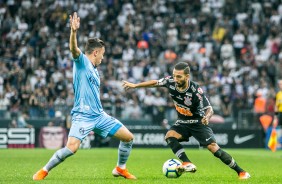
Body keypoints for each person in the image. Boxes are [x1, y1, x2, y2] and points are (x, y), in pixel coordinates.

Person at [33, 12, 136, 180]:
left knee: (128, 138)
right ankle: (44, 170)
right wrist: (73, 32)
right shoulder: (82, 62)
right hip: (83, 115)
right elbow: (74, 49)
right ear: (95, 52)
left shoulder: (95, 70)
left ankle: (120, 168)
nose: (103, 57)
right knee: (71, 148)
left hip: (100, 115)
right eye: (102, 53)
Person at [122, 62, 250, 179]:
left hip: (198, 123)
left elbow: (209, 108)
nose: (175, 79)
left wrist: (207, 117)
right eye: (174, 76)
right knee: (169, 136)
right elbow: (155, 83)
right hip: (182, 122)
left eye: (179, 77)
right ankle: (187, 162)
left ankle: (241, 172)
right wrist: (135, 86)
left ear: (187, 76)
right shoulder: (170, 82)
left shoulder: (195, 90)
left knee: (213, 148)